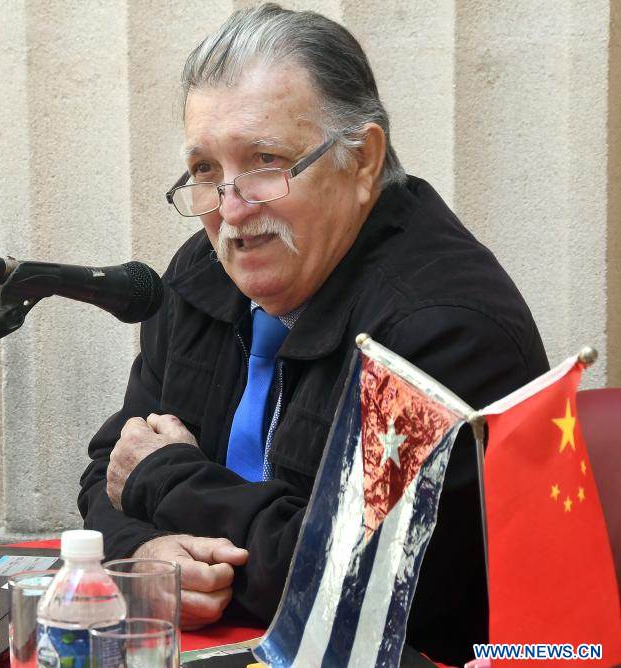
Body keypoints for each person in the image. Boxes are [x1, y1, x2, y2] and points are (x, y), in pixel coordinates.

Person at [76, 4, 550, 665]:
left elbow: (358, 586)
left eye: (265, 161)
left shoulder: (442, 327)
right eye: (206, 170)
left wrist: (168, 483)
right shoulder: (203, 273)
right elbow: (113, 466)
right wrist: (146, 555)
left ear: (362, 161)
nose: (231, 210)